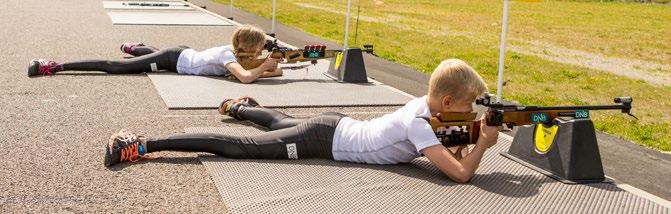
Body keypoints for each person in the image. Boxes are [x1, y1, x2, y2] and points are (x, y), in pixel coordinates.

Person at [103, 59, 501, 183]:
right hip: (324, 140)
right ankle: (141, 144)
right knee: (240, 149)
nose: (469, 116)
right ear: (447, 101)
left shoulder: (427, 108)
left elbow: (451, 145)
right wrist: (482, 141)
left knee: (281, 122)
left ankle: (239, 108)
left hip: (335, 126)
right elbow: (461, 173)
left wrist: (468, 134)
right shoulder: (420, 124)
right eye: (467, 110)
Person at [27, 24, 282, 83]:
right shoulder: (228, 56)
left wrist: (275, 67)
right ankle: (53, 65)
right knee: (117, 67)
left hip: (184, 54)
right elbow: (247, 78)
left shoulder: (239, 55)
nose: (263, 49)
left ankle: (136, 48)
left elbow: (264, 72)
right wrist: (265, 66)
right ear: (252, 47)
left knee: (146, 57)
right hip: (174, 59)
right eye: (262, 46)